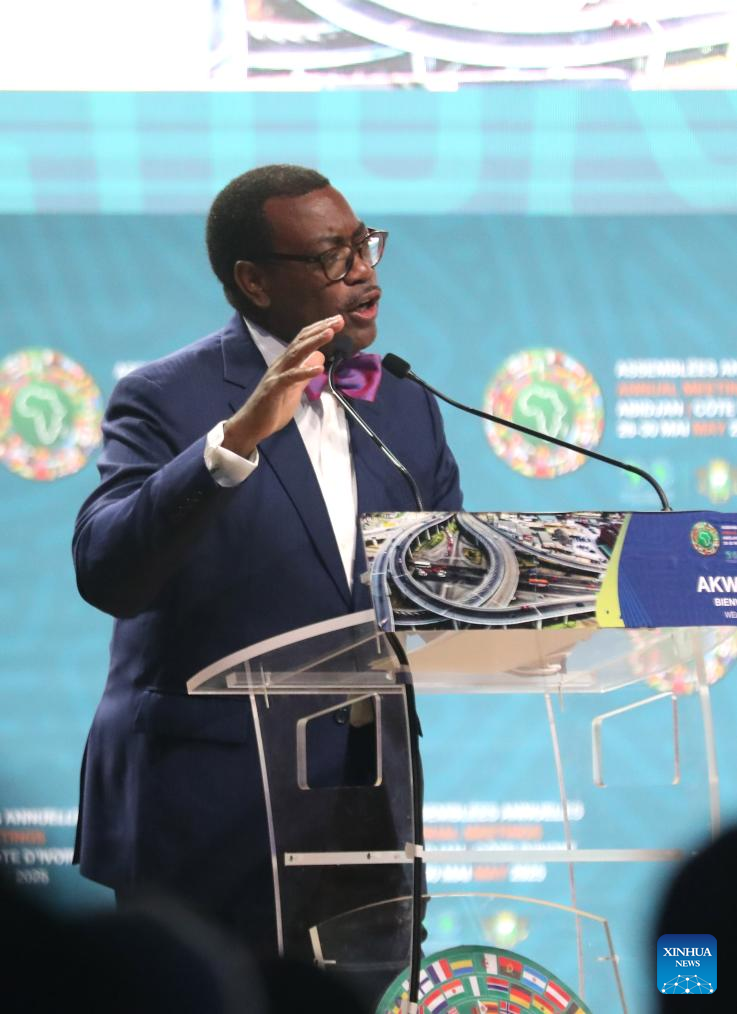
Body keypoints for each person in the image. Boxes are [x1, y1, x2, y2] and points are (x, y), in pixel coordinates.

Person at [72, 164, 462, 997]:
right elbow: (108, 571)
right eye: (331, 257)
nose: (363, 273)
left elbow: (443, 581)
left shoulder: (404, 404)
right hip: (204, 813)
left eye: (364, 245)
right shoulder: (165, 397)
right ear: (253, 281)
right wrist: (234, 442)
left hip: (365, 812)